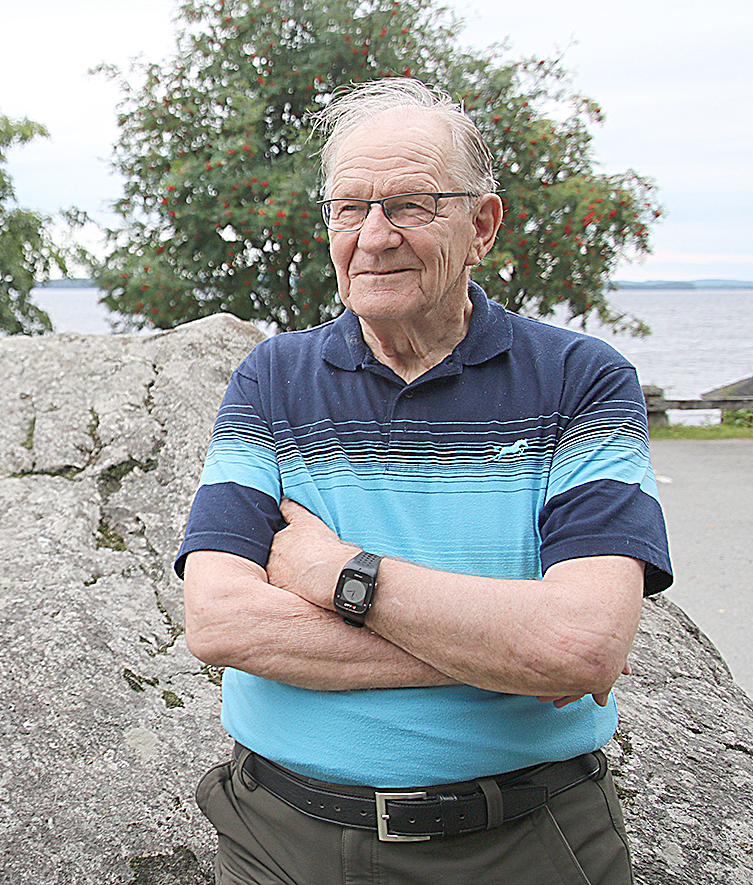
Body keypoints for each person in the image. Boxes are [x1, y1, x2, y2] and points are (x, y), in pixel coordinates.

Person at [177, 77, 671, 885]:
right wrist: (506, 647)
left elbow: (580, 644)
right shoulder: (272, 378)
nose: (373, 237)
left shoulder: (580, 380)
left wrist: (331, 571)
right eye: (348, 208)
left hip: (527, 842)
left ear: (480, 226)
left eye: (410, 205)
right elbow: (223, 623)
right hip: (283, 840)